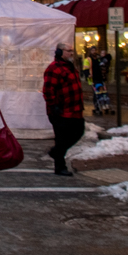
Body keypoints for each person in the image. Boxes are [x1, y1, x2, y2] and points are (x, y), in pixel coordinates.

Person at [43, 42, 85, 176]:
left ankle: (56, 152)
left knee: (79, 131)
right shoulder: (54, 68)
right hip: (62, 111)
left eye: (72, 51)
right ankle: (60, 166)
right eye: (68, 51)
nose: (71, 53)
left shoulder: (70, 67)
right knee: (61, 138)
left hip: (75, 109)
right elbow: (48, 90)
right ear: (60, 52)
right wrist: (53, 106)